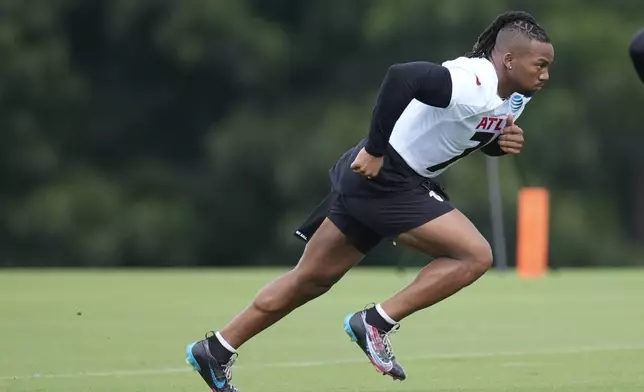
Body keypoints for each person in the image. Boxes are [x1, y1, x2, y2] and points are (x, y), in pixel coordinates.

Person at [185, 10, 554, 392]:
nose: (545, 75)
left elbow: (470, 135)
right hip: (387, 175)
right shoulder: (472, 81)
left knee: (310, 280)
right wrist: (376, 150)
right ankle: (377, 322)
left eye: (548, 67)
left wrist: (499, 146)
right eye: (539, 65)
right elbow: (401, 76)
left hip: (378, 180)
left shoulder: (514, 98)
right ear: (508, 60)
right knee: (475, 255)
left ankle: (216, 349)